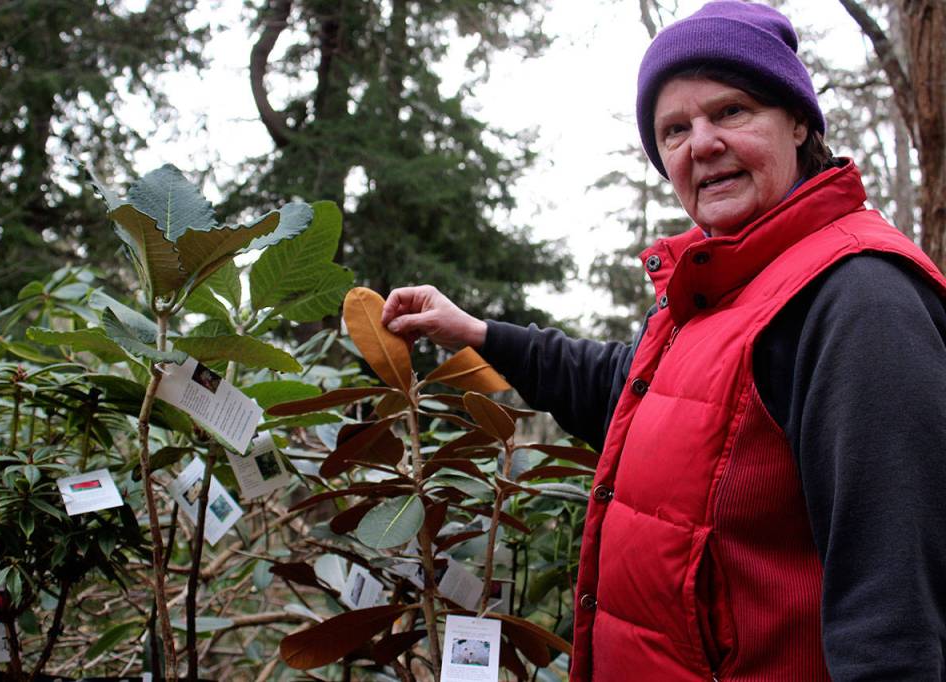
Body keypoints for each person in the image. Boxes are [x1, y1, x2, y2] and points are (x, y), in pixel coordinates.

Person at [381, 2, 946, 680]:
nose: (700, 143)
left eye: (731, 111)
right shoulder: (716, 290)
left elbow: (896, 617)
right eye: (673, 129)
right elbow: (634, 395)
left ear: (799, 122)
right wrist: (477, 333)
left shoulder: (859, 299)